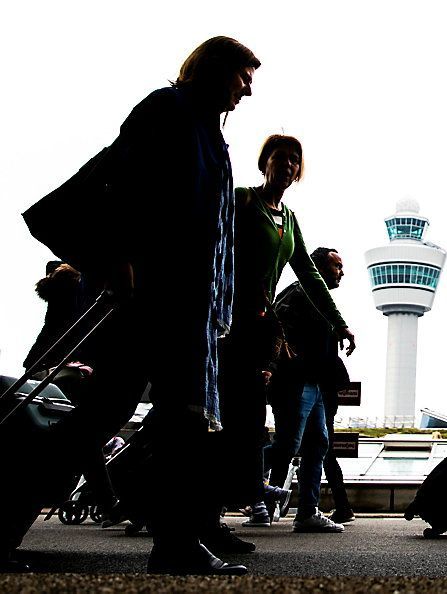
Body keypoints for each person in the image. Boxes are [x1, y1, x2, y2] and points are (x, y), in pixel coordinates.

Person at [10, 36, 261, 575]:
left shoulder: (207, 133)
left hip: (183, 301)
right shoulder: (167, 110)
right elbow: (121, 184)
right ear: (215, 70)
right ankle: (175, 544)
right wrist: (115, 255)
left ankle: (174, 542)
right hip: (162, 296)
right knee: (165, 420)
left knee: (120, 416)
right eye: (243, 76)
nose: (248, 89)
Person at [213, 137, 356, 539]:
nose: (289, 165)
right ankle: (238, 501)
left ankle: (240, 502)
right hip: (229, 320)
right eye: (281, 158)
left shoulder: (289, 219)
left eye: (296, 160)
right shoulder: (242, 200)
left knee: (250, 421)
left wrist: (339, 321)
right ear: (265, 163)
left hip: (257, 329)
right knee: (228, 417)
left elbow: (308, 274)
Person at [252, 247, 355, 532]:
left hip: (314, 383)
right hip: (296, 382)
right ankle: (232, 474)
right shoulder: (299, 294)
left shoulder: (317, 298)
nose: (341, 272)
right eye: (336, 266)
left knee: (317, 443)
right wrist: (272, 365)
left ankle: (308, 512)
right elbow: (276, 330)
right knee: (288, 444)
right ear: (318, 269)